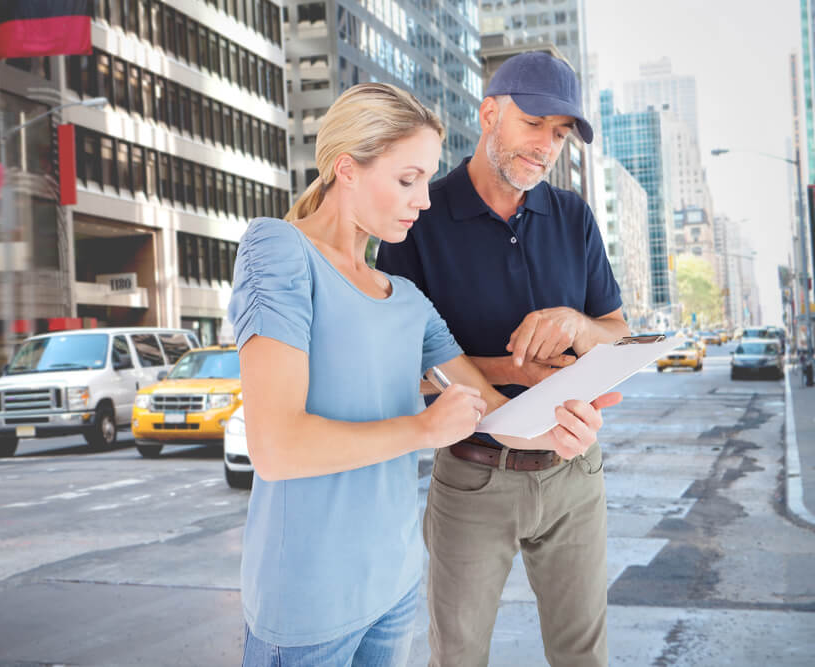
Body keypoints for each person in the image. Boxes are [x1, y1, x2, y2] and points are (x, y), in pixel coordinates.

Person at [228, 81, 620, 667]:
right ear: (347, 169)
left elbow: (487, 408)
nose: (425, 199)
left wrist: (559, 431)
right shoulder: (278, 249)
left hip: (392, 586)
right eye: (408, 179)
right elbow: (276, 448)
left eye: (427, 179)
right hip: (308, 595)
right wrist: (423, 431)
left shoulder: (406, 298)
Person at [376, 51, 631, 667]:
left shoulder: (573, 216)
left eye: (560, 134)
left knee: (583, 656)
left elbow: (619, 334)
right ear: (489, 113)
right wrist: (507, 371)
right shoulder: (419, 218)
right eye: (534, 124)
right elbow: (398, 369)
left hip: (574, 473)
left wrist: (579, 326)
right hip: (471, 474)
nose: (546, 146)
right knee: (457, 657)